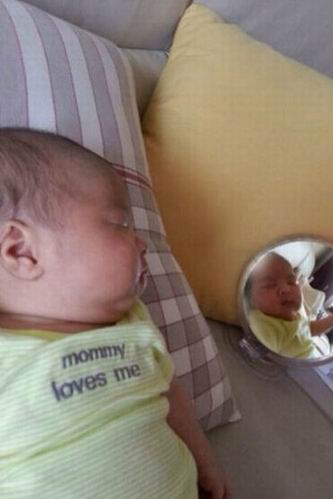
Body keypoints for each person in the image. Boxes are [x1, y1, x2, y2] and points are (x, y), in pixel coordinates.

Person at [0, 128, 230, 499]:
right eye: (120, 223)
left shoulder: (134, 323)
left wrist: (206, 463)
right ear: (21, 252)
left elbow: (171, 394)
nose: (142, 243)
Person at [246, 252, 333, 359]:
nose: (286, 289)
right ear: (251, 298)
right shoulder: (262, 324)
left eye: (291, 282)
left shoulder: (295, 316)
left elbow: (309, 329)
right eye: (269, 285)